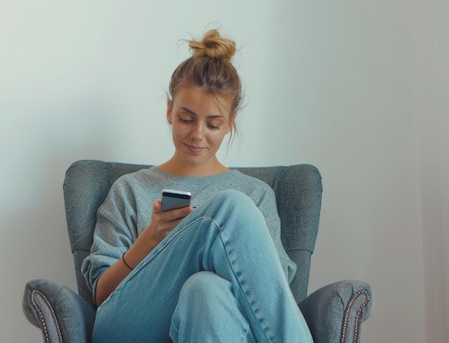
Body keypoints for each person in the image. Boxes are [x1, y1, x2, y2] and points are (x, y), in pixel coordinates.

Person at [81, 29, 313, 343]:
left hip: (224, 323)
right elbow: (100, 293)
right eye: (186, 119)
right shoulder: (130, 189)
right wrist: (150, 239)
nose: (197, 135)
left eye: (213, 124)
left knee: (205, 289)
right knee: (228, 209)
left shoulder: (257, 194)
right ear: (169, 111)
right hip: (128, 327)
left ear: (230, 122)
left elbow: (270, 290)